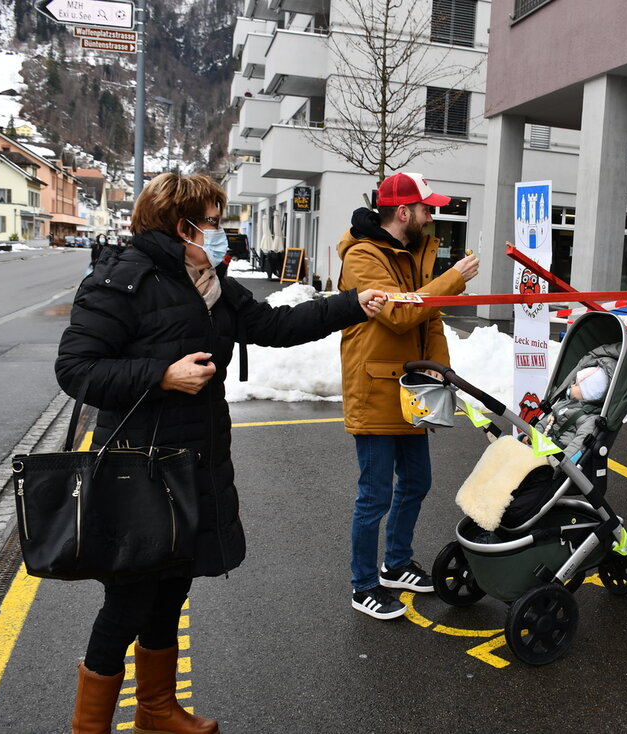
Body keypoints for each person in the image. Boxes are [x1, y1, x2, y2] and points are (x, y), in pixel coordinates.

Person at [56, 172, 386, 733]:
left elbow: (275, 325)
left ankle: (157, 710)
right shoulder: (123, 280)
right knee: (128, 602)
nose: (220, 232)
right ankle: (90, 728)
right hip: (136, 470)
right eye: (211, 222)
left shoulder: (208, 282)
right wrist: (161, 374)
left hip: (195, 462)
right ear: (179, 224)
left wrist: (354, 304)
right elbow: (76, 369)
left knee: (171, 588)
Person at [338, 171, 480, 620]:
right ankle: (363, 585)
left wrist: (442, 374)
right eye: (426, 208)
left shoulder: (414, 252)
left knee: (417, 481)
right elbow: (401, 313)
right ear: (403, 212)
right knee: (374, 495)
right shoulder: (362, 257)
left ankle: (396, 564)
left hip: (411, 386)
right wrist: (452, 280)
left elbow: (429, 320)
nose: (432, 215)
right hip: (376, 389)